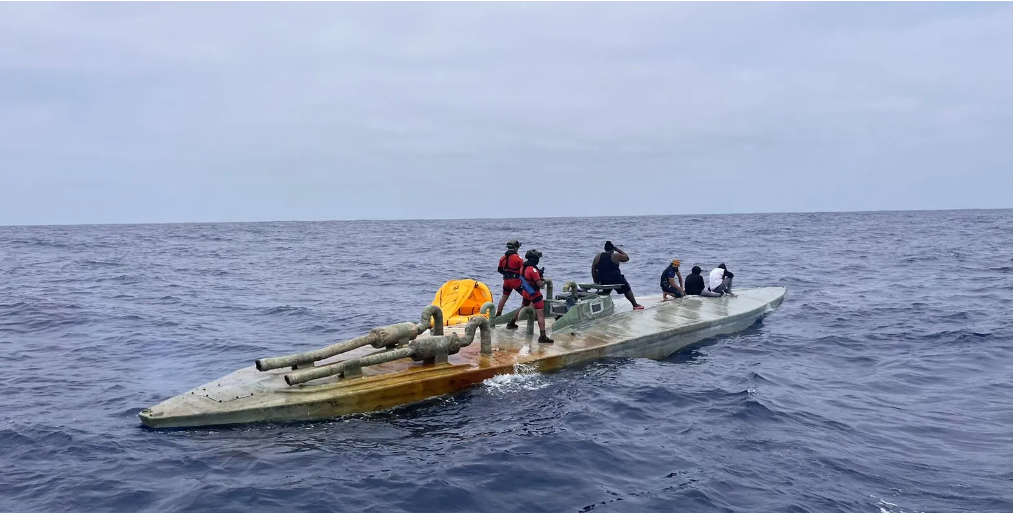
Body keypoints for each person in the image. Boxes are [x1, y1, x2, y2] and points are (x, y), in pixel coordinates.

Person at [505, 249, 554, 343]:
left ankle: (511, 323)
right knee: (540, 313)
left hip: (525, 292)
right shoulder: (533, 270)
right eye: (537, 258)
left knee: (522, 306)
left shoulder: (523, 267)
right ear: (534, 259)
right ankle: (542, 336)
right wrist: (543, 281)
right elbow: (539, 284)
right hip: (534, 294)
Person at [591, 241, 644, 310]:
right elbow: (627, 258)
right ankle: (635, 305)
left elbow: (593, 269)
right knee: (626, 288)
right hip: (615, 279)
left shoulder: (598, 256)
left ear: (605, 249)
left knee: (606, 290)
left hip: (603, 279)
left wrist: (595, 280)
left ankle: (604, 304)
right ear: (612, 249)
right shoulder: (615, 255)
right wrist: (618, 249)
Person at [495, 239, 524, 316]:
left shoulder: (502, 258)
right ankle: (525, 314)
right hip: (516, 281)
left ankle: (498, 314)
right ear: (515, 248)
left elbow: (499, 269)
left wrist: (507, 274)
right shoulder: (518, 258)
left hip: (506, 281)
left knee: (504, 297)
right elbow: (523, 271)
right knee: (528, 297)